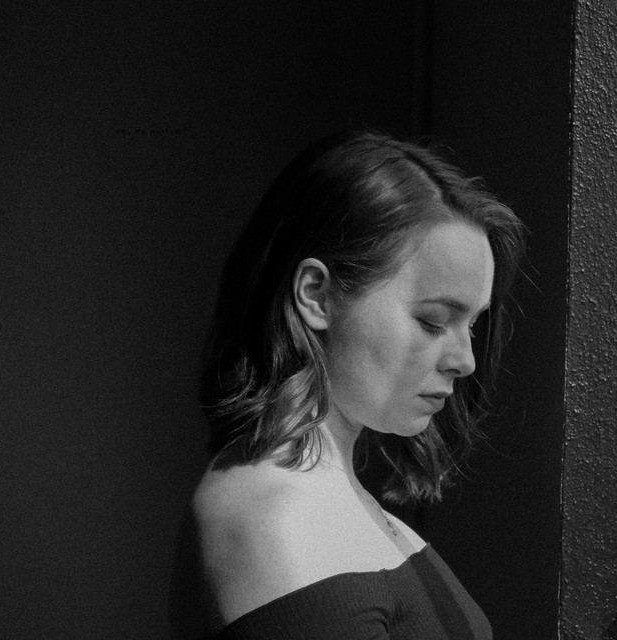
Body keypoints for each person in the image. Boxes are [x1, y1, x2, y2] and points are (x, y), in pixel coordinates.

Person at [190, 131, 524, 639]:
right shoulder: (273, 515)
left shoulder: (339, 504)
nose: (466, 361)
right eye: (433, 321)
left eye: (472, 326)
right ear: (316, 296)